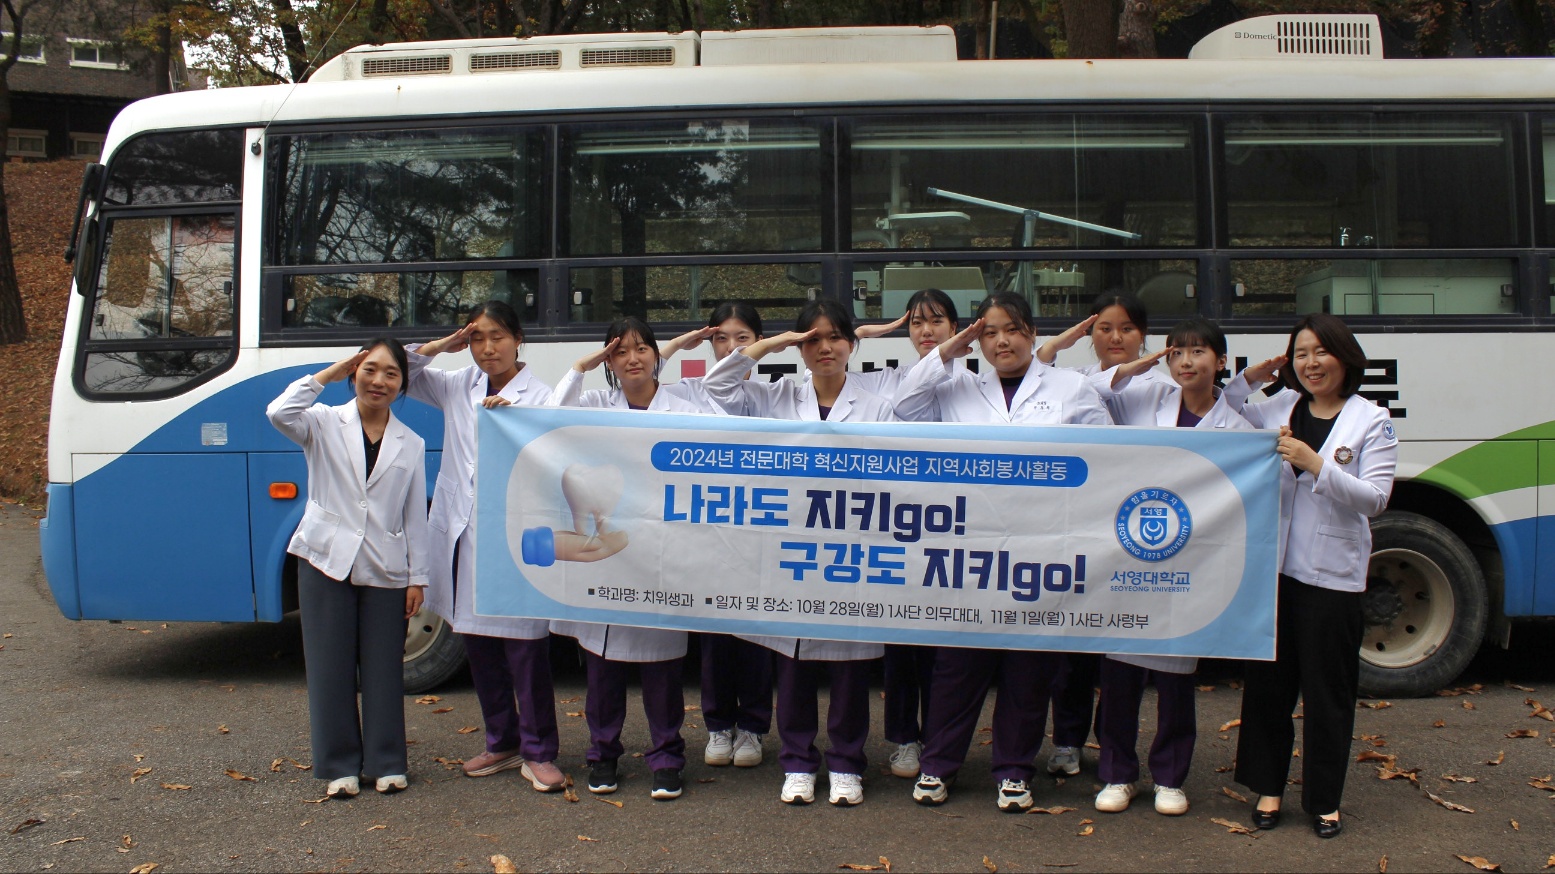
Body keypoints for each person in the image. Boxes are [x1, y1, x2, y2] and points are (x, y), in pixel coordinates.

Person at [893, 291, 1111, 811]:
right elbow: (904, 409)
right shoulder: (960, 388)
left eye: (1011, 329)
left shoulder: (1071, 388)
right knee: (956, 668)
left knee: (1028, 671)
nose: (1001, 341)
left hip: (1042, 553)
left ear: (1032, 334)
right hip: (972, 554)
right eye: (989, 332)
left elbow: (1106, 459)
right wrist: (948, 351)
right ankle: (938, 765)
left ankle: (1014, 771)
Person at [703, 298, 895, 807]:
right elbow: (717, 387)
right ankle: (797, 762)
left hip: (852, 549)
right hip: (792, 550)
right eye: (812, 339)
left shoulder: (877, 405)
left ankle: (847, 764)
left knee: (850, 666)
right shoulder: (778, 396)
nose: (824, 347)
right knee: (793, 664)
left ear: (852, 343)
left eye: (834, 337)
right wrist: (771, 345)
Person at [1226, 313, 1397, 839]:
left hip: (1332, 577)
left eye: (1321, 352)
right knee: (1268, 690)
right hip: (1275, 570)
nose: (1311, 363)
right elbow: (1225, 406)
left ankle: (1324, 801)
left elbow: (1375, 499)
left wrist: (1317, 463)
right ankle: (1268, 789)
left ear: (1345, 358)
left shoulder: (1372, 420)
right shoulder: (1281, 405)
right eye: (1301, 354)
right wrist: (1255, 376)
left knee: (1328, 695)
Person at [1085, 317, 1253, 816]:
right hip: (1129, 556)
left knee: (1176, 679)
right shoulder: (1147, 400)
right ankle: (1117, 773)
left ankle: (1170, 778)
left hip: (1190, 567)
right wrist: (1143, 364)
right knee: (1119, 674)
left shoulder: (1240, 430)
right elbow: (1094, 389)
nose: (1185, 362)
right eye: (1176, 352)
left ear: (1221, 362)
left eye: (1198, 352)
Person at [406, 302, 566, 792]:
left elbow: (558, 456)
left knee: (525, 650)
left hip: (514, 540)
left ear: (518, 339)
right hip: (464, 535)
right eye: (478, 338)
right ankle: (502, 741)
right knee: (479, 647)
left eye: (497, 336)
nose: (488, 348)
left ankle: (539, 751)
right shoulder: (457, 384)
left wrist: (519, 422)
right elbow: (401, 373)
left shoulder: (542, 396)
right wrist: (441, 346)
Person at [266, 339, 428, 799]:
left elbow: (415, 514)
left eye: (391, 373)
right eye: (369, 369)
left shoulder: (411, 443)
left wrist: (418, 577)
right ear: (354, 372)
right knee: (329, 667)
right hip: (324, 560)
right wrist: (326, 375)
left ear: (402, 383)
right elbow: (278, 412)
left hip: (385, 566)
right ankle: (339, 765)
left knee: (384, 668)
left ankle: (387, 761)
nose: (379, 381)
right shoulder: (321, 422)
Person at [548, 316, 702, 801]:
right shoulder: (596, 404)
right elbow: (550, 419)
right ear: (609, 361)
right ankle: (603, 754)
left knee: (662, 667)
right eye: (619, 352)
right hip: (608, 550)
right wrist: (581, 367)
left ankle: (667, 758)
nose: (632, 359)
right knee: (604, 667)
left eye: (641, 348)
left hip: (663, 551)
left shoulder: (687, 408)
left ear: (657, 354)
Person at [1034, 292, 1171, 777]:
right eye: (1104, 328)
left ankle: (1113, 747)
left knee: (1120, 651)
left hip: (1135, 532)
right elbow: (1036, 369)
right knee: (1071, 645)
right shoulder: (1075, 380)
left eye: (1127, 328)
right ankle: (1068, 740)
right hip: (1079, 526)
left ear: (1143, 334)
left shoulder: (1164, 388)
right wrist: (1057, 344)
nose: (1116, 338)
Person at [838, 289, 962, 780]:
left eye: (937, 321)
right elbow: (834, 370)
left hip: (954, 527)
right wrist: (861, 334)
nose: (926, 331)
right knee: (902, 641)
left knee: (946, 645)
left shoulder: (973, 382)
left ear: (957, 327)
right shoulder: (891, 377)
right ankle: (905, 740)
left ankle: (940, 738)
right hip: (900, 526)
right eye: (916, 323)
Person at [658, 302, 776, 769]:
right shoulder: (690, 391)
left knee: (757, 633)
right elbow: (636, 376)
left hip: (761, 529)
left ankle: (753, 728)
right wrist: (674, 345)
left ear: (760, 343)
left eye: (742, 338)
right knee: (716, 637)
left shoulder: (774, 395)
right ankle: (718, 726)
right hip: (708, 528)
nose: (731, 348)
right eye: (721, 339)